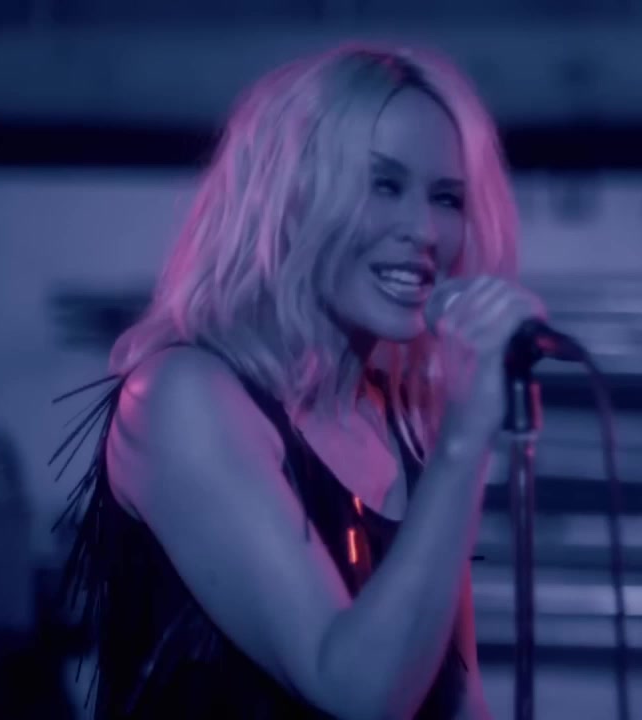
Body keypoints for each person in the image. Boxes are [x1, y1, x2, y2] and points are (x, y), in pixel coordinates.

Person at [53, 42, 543, 719]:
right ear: (287, 196)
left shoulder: (406, 423)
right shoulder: (181, 398)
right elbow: (356, 690)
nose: (424, 229)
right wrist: (464, 443)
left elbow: (456, 701)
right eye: (383, 185)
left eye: (446, 198)